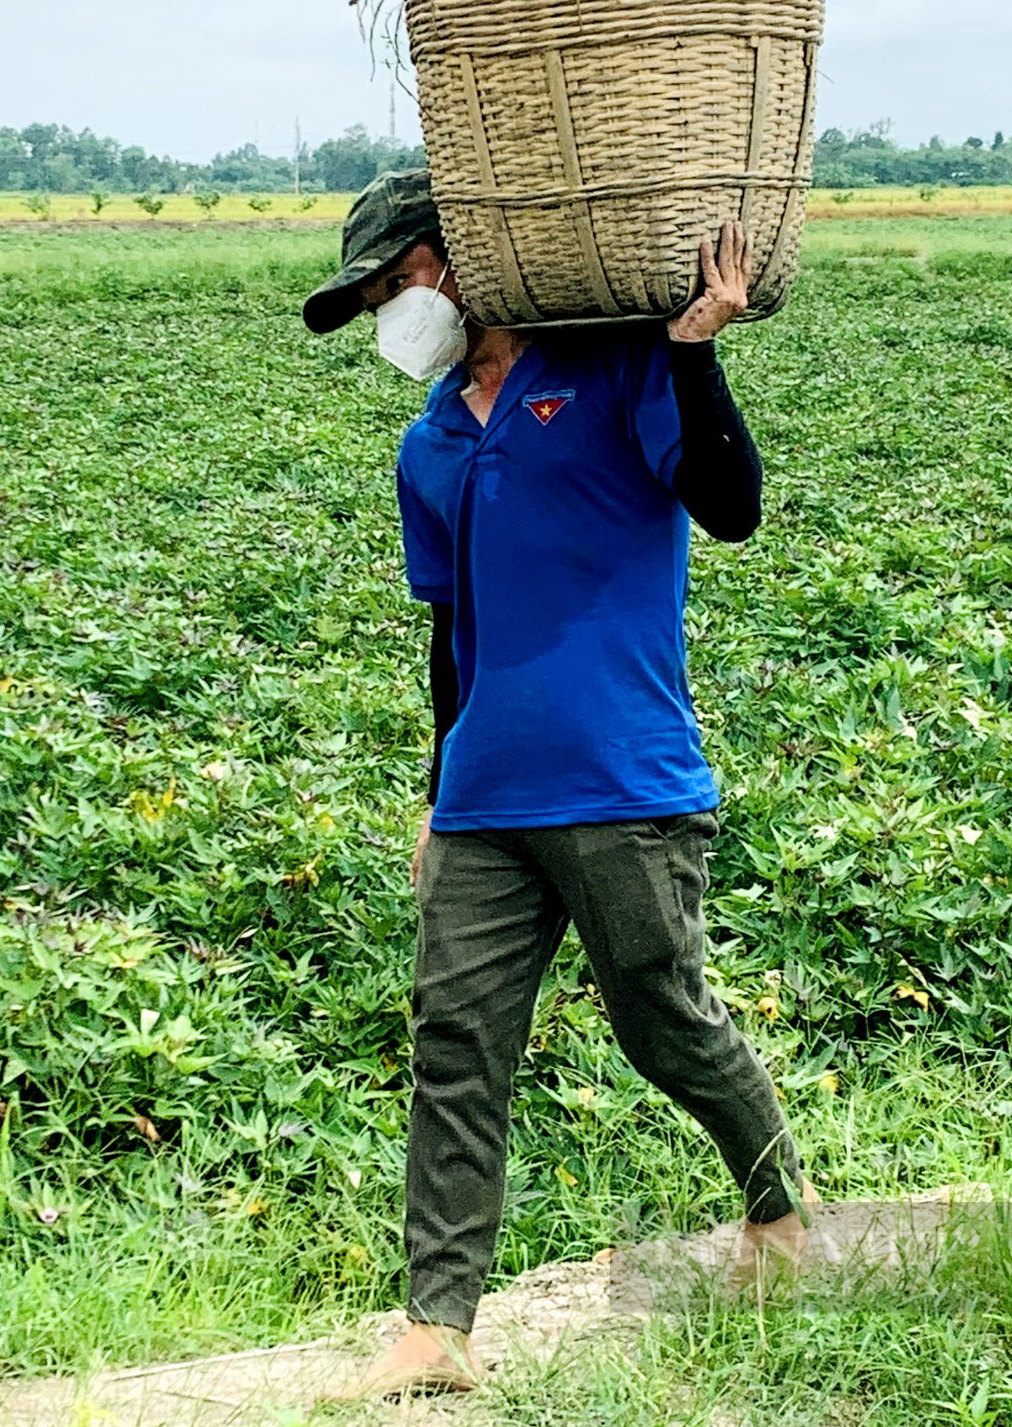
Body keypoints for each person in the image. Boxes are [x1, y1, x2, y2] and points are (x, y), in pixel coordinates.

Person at [302, 170, 820, 1397]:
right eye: (373, 297)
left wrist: (695, 351)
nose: (390, 311)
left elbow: (731, 506)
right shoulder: (428, 441)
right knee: (457, 1044)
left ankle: (781, 1215)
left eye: (394, 282)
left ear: (453, 257)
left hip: (624, 779)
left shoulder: (612, 367)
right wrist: (439, 792)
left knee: (665, 1022)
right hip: (487, 795)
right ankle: (439, 1327)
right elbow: (452, 633)